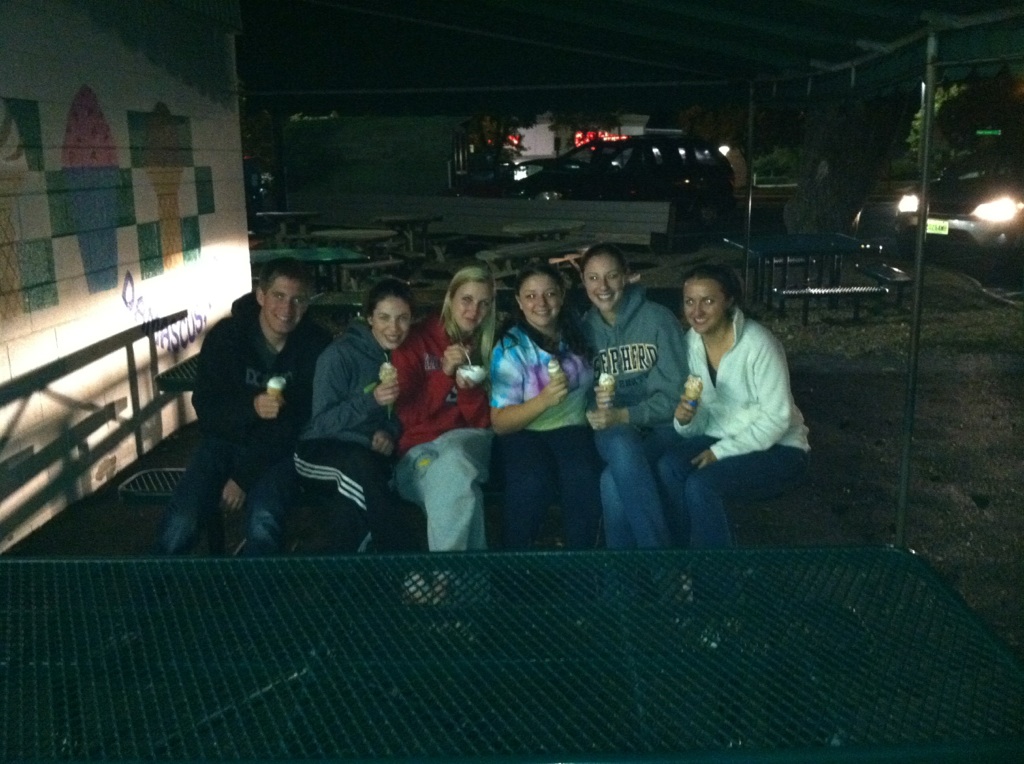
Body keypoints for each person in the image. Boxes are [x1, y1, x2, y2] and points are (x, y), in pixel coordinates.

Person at [155, 258, 331, 555]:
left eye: (298, 300)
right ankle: (150, 585)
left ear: (307, 303)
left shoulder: (315, 344)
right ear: (261, 295)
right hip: (222, 443)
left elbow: (303, 423)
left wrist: (243, 478)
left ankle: (255, 585)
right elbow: (207, 407)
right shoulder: (227, 337)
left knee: (263, 519)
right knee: (181, 520)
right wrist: (252, 408)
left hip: (280, 453)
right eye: (278, 296)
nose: (287, 309)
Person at [656, 263, 810, 548]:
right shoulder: (691, 344)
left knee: (702, 485)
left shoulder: (758, 344)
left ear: (728, 301)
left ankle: (719, 572)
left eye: (708, 301)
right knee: (670, 467)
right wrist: (686, 419)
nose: (697, 311)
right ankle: (681, 556)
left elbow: (777, 419)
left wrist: (720, 452)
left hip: (781, 447)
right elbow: (703, 418)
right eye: (690, 302)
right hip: (721, 435)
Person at [294, 278, 417, 553]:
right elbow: (321, 423)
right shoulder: (339, 355)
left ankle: (346, 574)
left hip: (366, 454)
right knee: (364, 477)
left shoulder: (402, 357)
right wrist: (371, 400)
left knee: (351, 509)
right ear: (370, 318)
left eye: (402, 319)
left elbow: (400, 413)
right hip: (319, 450)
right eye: (384, 317)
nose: (394, 328)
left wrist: (388, 433)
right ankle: (408, 561)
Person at [579, 242, 688, 549]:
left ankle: (625, 577)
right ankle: (664, 564)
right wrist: (594, 406)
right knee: (621, 443)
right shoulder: (583, 329)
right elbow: (582, 394)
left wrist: (626, 414)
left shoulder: (658, 320)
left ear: (626, 276)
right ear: (583, 282)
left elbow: (675, 397)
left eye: (612, 276)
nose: (603, 287)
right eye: (593, 278)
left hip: (662, 427)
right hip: (614, 431)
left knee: (611, 482)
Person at [489, 263, 602, 550]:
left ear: (561, 296)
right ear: (519, 302)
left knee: (582, 476)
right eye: (530, 296)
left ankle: (581, 562)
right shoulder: (510, 348)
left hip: (573, 427)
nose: (541, 303)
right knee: (531, 482)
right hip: (524, 431)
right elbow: (500, 422)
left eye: (550, 294)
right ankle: (513, 563)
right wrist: (543, 400)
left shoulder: (579, 332)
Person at [392, 265, 496, 552]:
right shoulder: (415, 341)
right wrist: (444, 375)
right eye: (466, 299)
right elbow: (406, 416)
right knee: (457, 486)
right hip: (419, 450)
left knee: (453, 462)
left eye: (484, 303)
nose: (474, 311)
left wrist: (467, 388)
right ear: (450, 299)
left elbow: (483, 422)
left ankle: (444, 573)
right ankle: (467, 579)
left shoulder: (489, 345)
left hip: (469, 443)